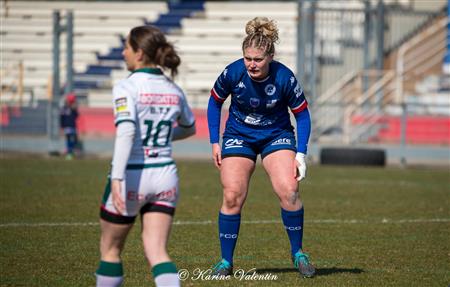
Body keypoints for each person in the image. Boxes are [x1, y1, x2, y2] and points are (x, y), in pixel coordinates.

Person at [207, 17, 315, 278]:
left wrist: (300, 153)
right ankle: (225, 262)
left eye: (258, 59)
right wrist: (214, 141)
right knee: (232, 194)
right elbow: (214, 103)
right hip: (238, 135)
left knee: (289, 191)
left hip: (276, 135)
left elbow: (302, 115)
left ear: (271, 57)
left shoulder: (284, 77)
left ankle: (298, 253)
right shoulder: (233, 72)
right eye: (247, 58)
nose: (252, 64)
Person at [95, 25, 196, 287]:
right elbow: (190, 128)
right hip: (164, 175)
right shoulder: (173, 89)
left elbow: (127, 131)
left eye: (126, 47)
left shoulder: (127, 87)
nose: (123, 52)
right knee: (158, 253)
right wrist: (162, 139)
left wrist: (117, 178)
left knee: (111, 251)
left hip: (132, 175)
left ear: (139, 53)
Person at [60, 92, 79, 160]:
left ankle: (70, 151)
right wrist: (62, 127)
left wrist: (74, 109)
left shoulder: (73, 108)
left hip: (72, 126)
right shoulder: (64, 108)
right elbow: (62, 118)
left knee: (72, 140)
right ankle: (69, 152)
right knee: (69, 140)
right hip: (67, 126)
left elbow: (76, 116)